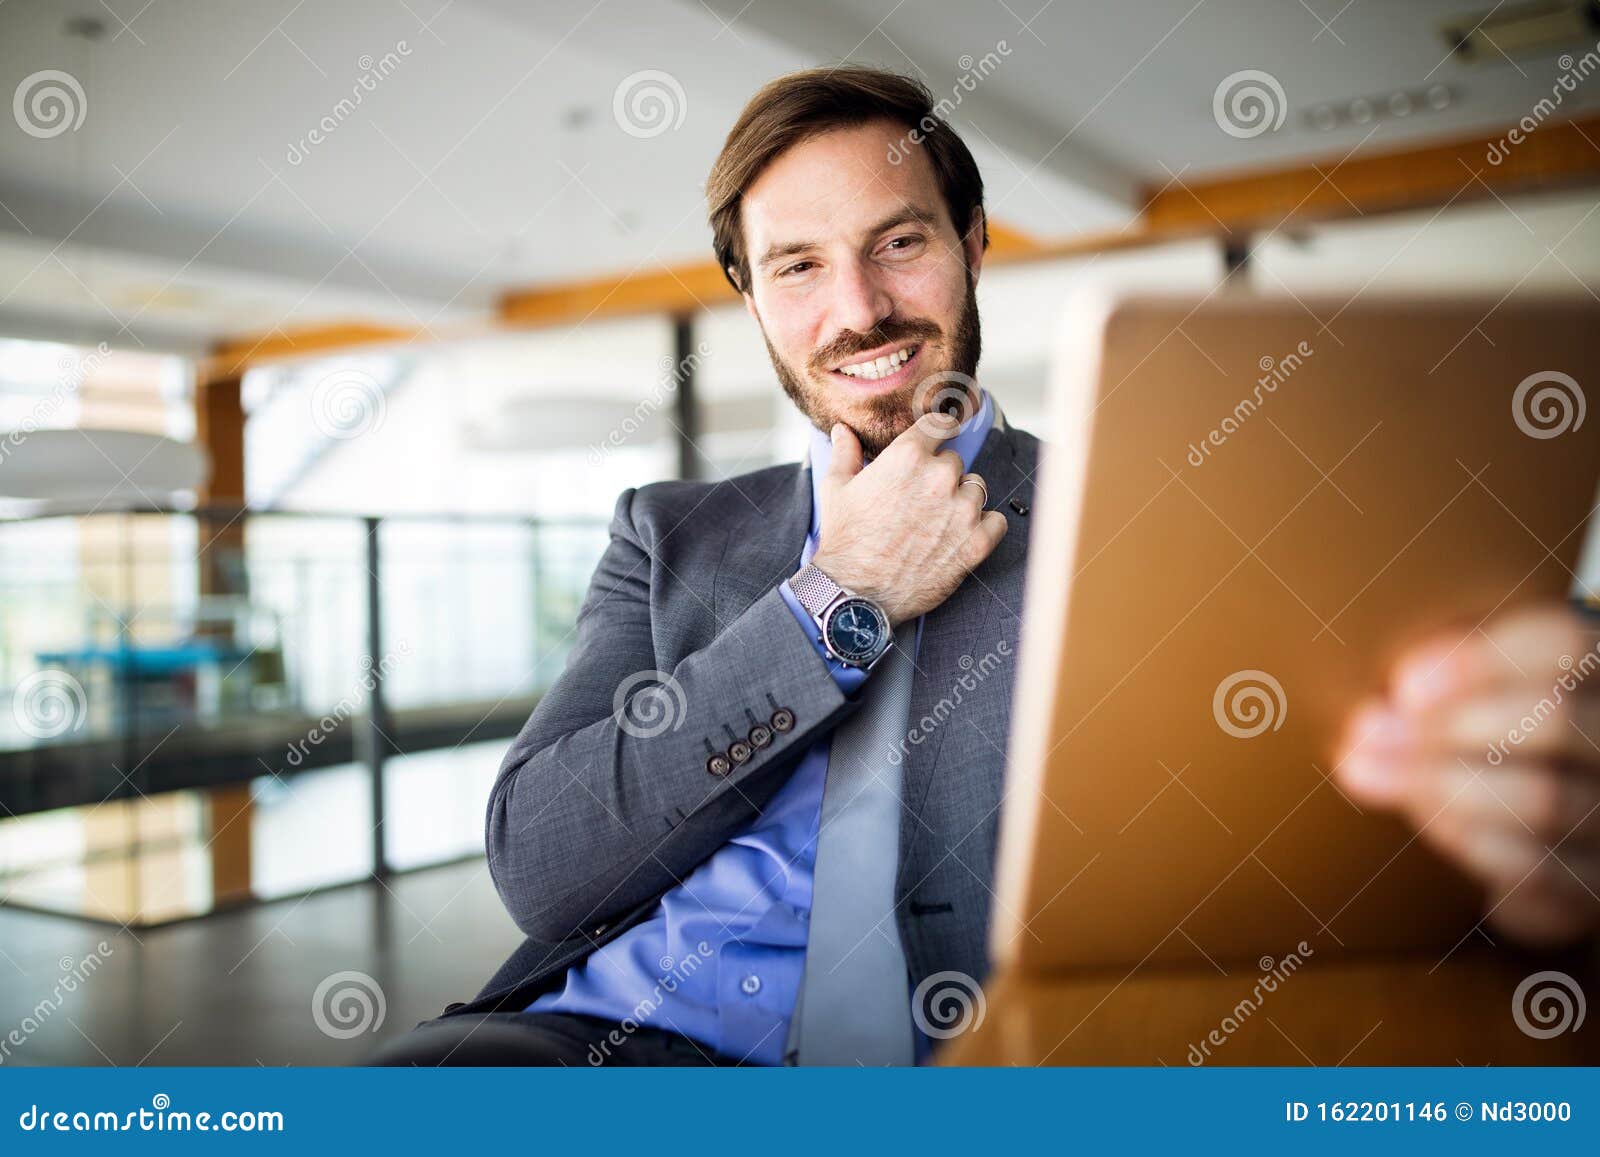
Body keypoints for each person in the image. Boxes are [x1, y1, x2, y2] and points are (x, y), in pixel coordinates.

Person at [370, 66, 1600, 1067]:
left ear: (971, 244)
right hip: (606, 1052)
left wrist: (1523, 769)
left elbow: (1346, 819)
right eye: (797, 266)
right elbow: (543, 864)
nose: (860, 307)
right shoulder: (669, 532)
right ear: (750, 299)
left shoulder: (1149, 509)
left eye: (899, 242)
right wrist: (837, 599)